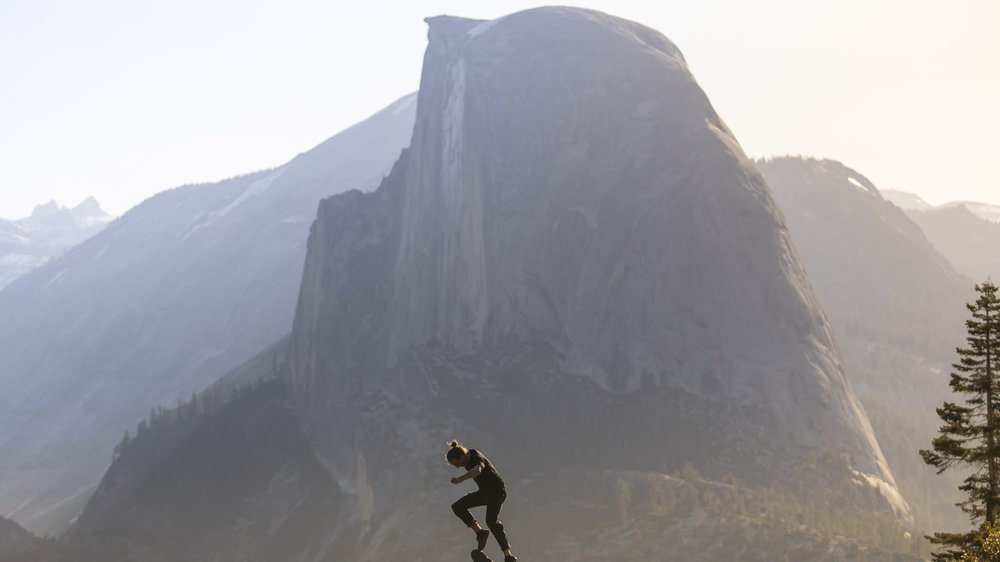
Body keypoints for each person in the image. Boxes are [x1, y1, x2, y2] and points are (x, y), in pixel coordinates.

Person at [447, 439, 518, 562]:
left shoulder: (475, 457)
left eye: (457, 464)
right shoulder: (467, 460)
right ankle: (480, 533)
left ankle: (508, 556)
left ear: (462, 456)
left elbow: (477, 471)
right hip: (485, 493)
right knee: (457, 506)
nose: (458, 467)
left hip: (497, 492)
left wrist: (460, 479)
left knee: (491, 521)